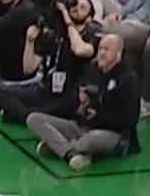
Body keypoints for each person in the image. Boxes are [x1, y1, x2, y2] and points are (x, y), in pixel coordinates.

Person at [27, 33, 140, 170]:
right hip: (82, 126)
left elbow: (130, 119)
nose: (102, 53)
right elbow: (77, 92)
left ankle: (60, 147)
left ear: (118, 54)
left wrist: (99, 116)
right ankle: (71, 152)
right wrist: (79, 102)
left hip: (113, 133)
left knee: (92, 139)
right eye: (100, 48)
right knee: (34, 118)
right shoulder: (93, 68)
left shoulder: (128, 79)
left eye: (107, 49)